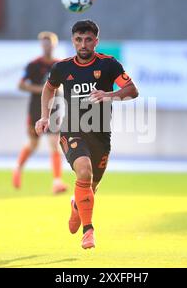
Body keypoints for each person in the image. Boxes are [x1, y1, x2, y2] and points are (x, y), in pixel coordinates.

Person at [35, 20, 139, 249]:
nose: (83, 44)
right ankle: (88, 230)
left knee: (91, 186)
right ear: (73, 41)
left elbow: (133, 91)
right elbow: (49, 88)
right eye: (79, 39)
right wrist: (44, 117)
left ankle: (76, 208)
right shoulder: (62, 68)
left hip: (101, 133)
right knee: (83, 171)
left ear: (96, 41)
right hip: (72, 129)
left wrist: (108, 95)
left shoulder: (109, 65)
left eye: (88, 39)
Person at [12, 32, 68, 195]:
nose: (47, 46)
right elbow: (21, 85)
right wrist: (43, 89)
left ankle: (57, 182)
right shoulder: (33, 65)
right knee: (33, 144)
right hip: (36, 108)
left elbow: (67, 85)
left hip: (55, 109)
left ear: (54, 45)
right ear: (41, 45)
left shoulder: (60, 65)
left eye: (49, 43)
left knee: (54, 143)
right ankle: (17, 168)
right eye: (44, 43)